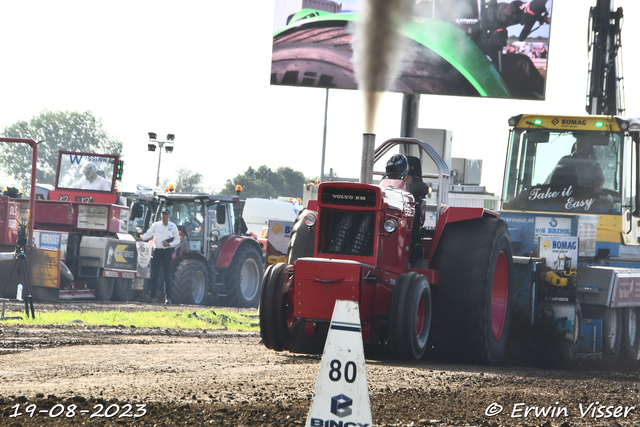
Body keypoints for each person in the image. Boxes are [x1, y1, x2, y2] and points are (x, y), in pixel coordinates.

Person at [138, 208, 180, 304]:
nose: (164, 216)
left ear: (168, 216)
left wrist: (169, 244)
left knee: (167, 275)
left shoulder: (173, 226)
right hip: (157, 251)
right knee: (155, 275)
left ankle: (168, 298)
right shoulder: (156, 225)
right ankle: (153, 297)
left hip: (167, 252)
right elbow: (149, 234)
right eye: (163, 214)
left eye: (166, 214)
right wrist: (142, 239)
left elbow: (177, 240)